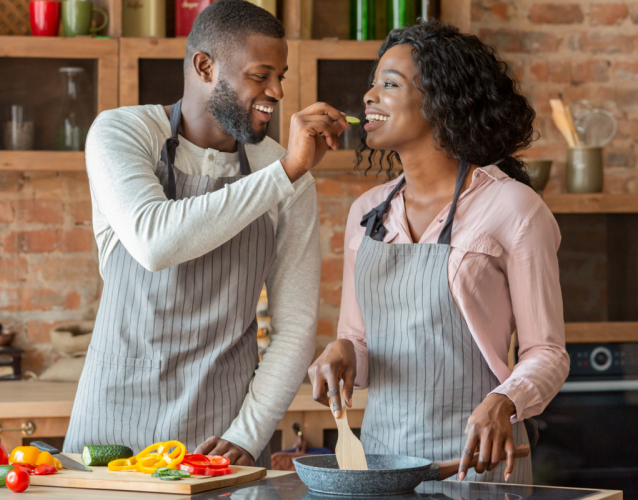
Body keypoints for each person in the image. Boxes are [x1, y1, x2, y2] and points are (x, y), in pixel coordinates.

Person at [63, 0, 349, 468]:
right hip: (107, 427)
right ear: (205, 66)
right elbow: (156, 242)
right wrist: (286, 171)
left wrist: (248, 433)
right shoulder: (122, 132)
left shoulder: (285, 174)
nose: (277, 91)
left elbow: (295, 327)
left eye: (281, 75)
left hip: (219, 436)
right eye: (261, 75)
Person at [308, 20, 569, 483]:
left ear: (441, 100)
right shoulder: (368, 213)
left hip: (476, 463)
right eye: (372, 84)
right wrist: (342, 351)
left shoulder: (512, 207)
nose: (368, 96)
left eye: (389, 85)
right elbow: (361, 341)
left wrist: (504, 400)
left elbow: (547, 352)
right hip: (381, 465)